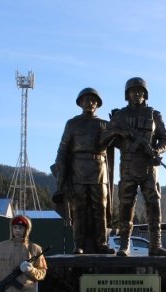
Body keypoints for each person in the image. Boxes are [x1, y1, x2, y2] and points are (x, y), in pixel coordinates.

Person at [102, 77, 166, 257]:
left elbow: (165, 140)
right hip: (128, 166)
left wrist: (156, 149)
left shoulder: (154, 114)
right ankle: (124, 245)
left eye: (140, 91)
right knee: (125, 206)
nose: (137, 94)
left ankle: (155, 245)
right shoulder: (119, 116)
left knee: (154, 206)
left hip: (149, 167)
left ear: (145, 94)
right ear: (127, 94)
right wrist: (117, 131)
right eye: (133, 91)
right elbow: (107, 140)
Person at [53, 87, 115, 255]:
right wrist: (60, 170)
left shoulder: (105, 124)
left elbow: (117, 142)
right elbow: (63, 148)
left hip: (99, 169)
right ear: (80, 103)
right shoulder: (72, 123)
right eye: (86, 100)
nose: (90, 103)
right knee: (78, 209)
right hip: (77, 169)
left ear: (98, 104)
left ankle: (101, 243)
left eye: (93, 100)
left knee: (100, 208)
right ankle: (78, 244)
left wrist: (117, 125)